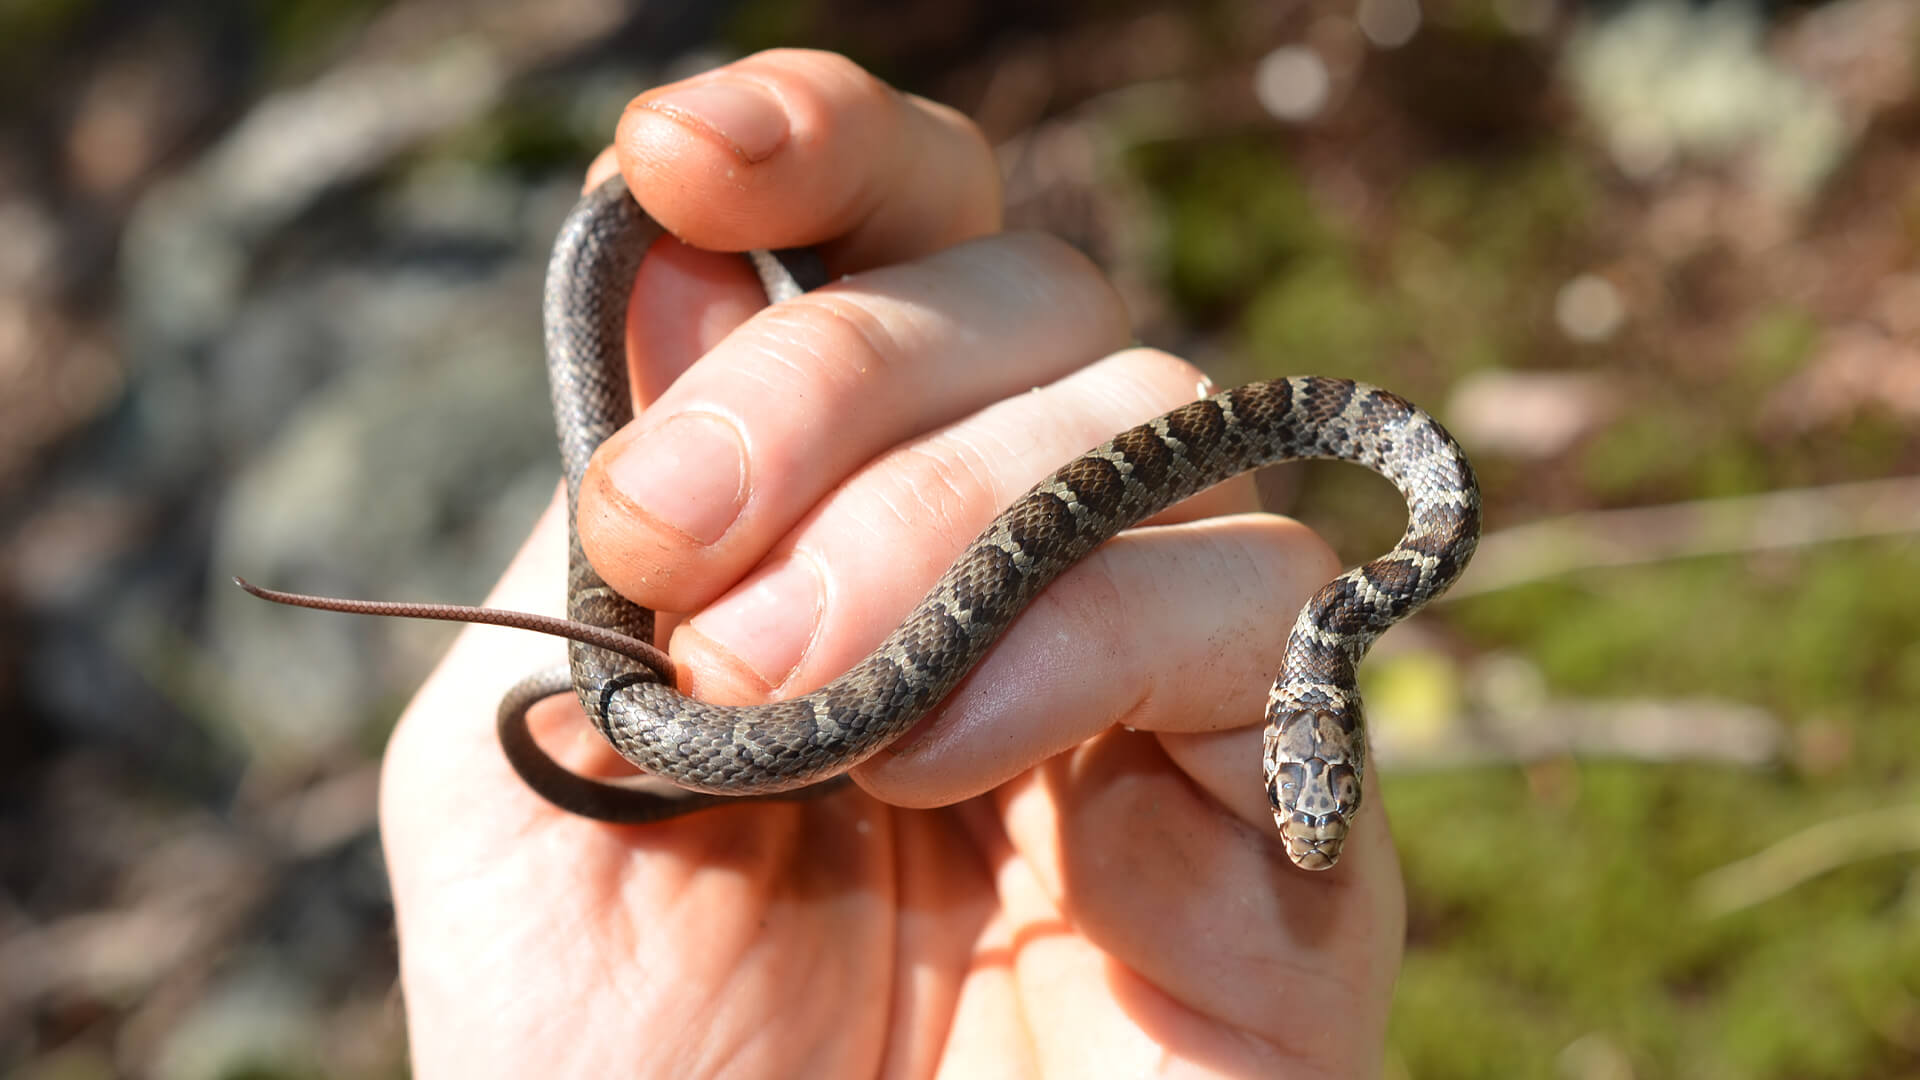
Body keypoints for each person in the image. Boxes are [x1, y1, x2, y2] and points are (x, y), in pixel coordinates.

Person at [382, 49, 1401, 1076]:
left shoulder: (1329, 630)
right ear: (1320, 736)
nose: (1304, 837)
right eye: (1307, 796)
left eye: (1310, 803)